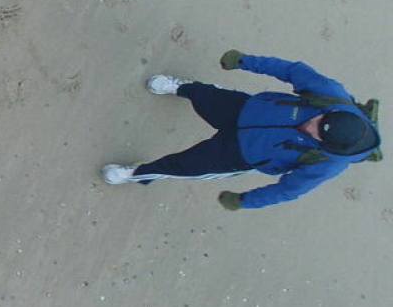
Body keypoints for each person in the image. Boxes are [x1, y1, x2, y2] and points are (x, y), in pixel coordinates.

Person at [103, 50, 380, 209]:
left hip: (238, 154)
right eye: (319, 118)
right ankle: (179, 87)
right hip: (247, 109)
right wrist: (245, 61)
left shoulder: (326, 165)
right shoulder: (331, 95)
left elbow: (287, 190)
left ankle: (137, 173)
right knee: (203, 94)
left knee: (182, 166)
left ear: (330, 146)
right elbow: (291, 70)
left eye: (317, 132)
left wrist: (244, 201)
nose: (310, 124)